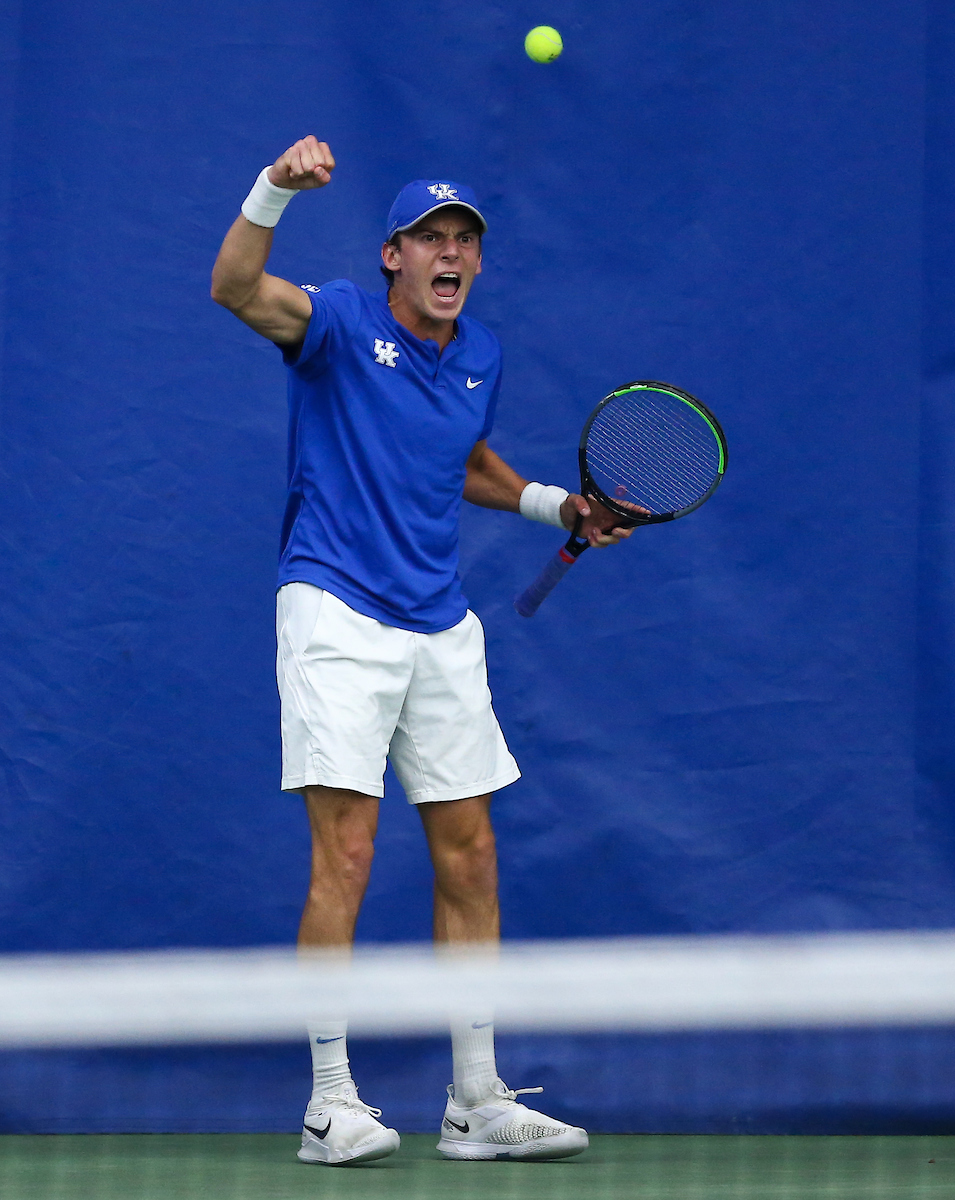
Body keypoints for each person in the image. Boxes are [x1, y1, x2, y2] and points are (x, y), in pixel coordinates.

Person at [211, 135, 633, 1166]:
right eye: (429, 239)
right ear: (393, 255)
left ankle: (476, 1101)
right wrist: (276, 187)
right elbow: (233, 287)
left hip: (440, 622)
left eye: (465, 242)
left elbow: (464, 459)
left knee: (471, 852)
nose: (450, 255)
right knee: (347, 849)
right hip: (336, 611)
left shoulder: (479, 354)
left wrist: (552, 504)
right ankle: (329, 1102)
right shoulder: (341, 321)